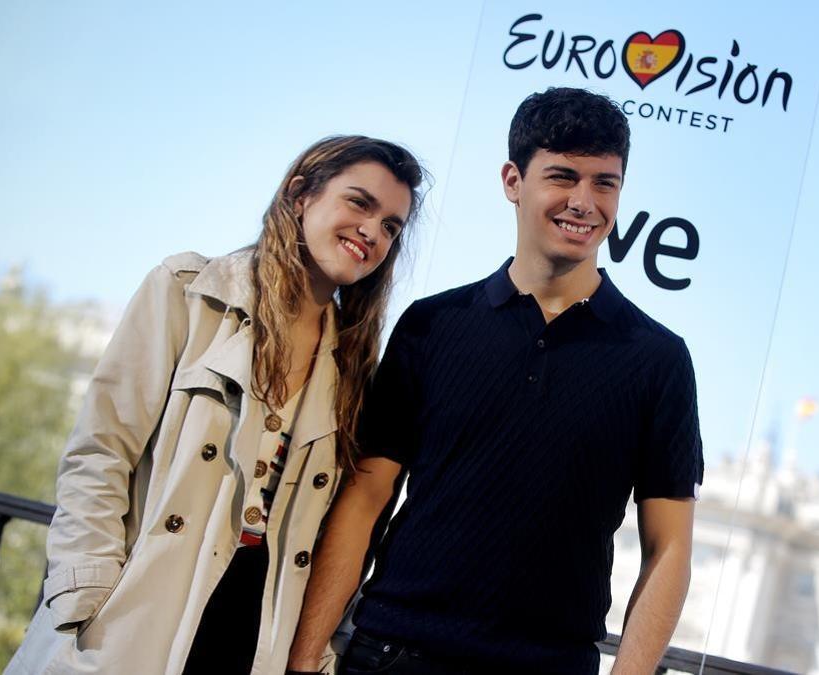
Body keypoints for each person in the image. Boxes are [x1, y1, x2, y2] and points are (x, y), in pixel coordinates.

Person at [287, 88, 703, 675]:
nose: (584, 202)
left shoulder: (658, 359)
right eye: (562, 177)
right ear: (513, 180)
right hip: (391, 654)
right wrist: (305, 656)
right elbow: (365, 499)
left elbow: (670, 549)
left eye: (604, 183)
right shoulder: (432, 325)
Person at [5, 135, 425, 675]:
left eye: (392, 225)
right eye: (359, 203)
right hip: (138, 608)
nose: (373, 231)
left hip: (254, 627)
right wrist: (84, 590)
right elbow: (101, 450)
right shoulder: (189, 293)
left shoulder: (354, 364)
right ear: (300, 195)